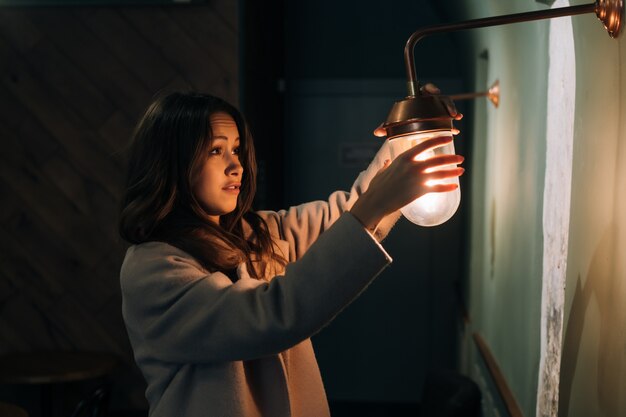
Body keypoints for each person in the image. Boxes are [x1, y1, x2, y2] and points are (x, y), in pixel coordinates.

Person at [118, 88, 464, 417]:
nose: (235, 165)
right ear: (172, 163)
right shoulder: (152, 269)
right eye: (214, 150)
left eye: (237, 149)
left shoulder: (257, 234)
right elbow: (271, 316)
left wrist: (412, 134)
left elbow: (346, 217)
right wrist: (377, 201)